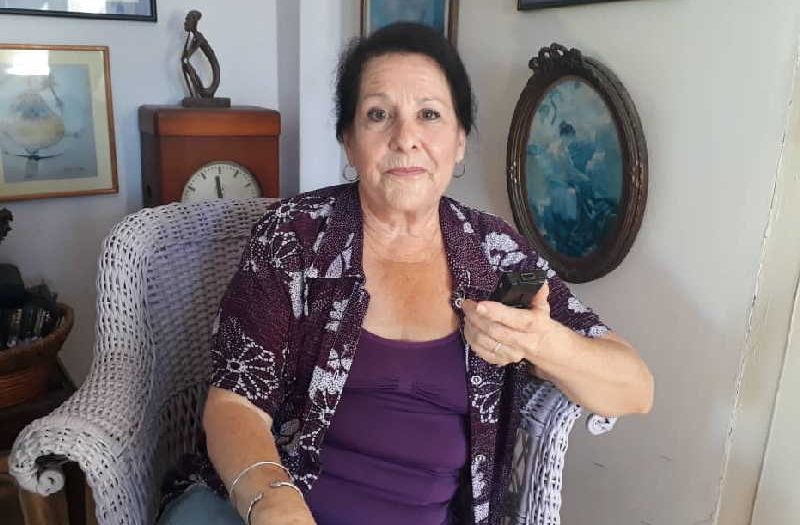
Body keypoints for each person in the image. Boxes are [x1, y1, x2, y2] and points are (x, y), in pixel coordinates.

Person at [156, 22, 653, 525]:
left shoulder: (493, 253)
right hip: (262, 505)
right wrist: (275, 503)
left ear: (459, 140)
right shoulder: (295, 236)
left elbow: (635, 388)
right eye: (378, 114)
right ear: (349, 141)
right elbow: (235, 405)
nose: (405, 138)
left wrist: (543, 343)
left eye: (429, 114)